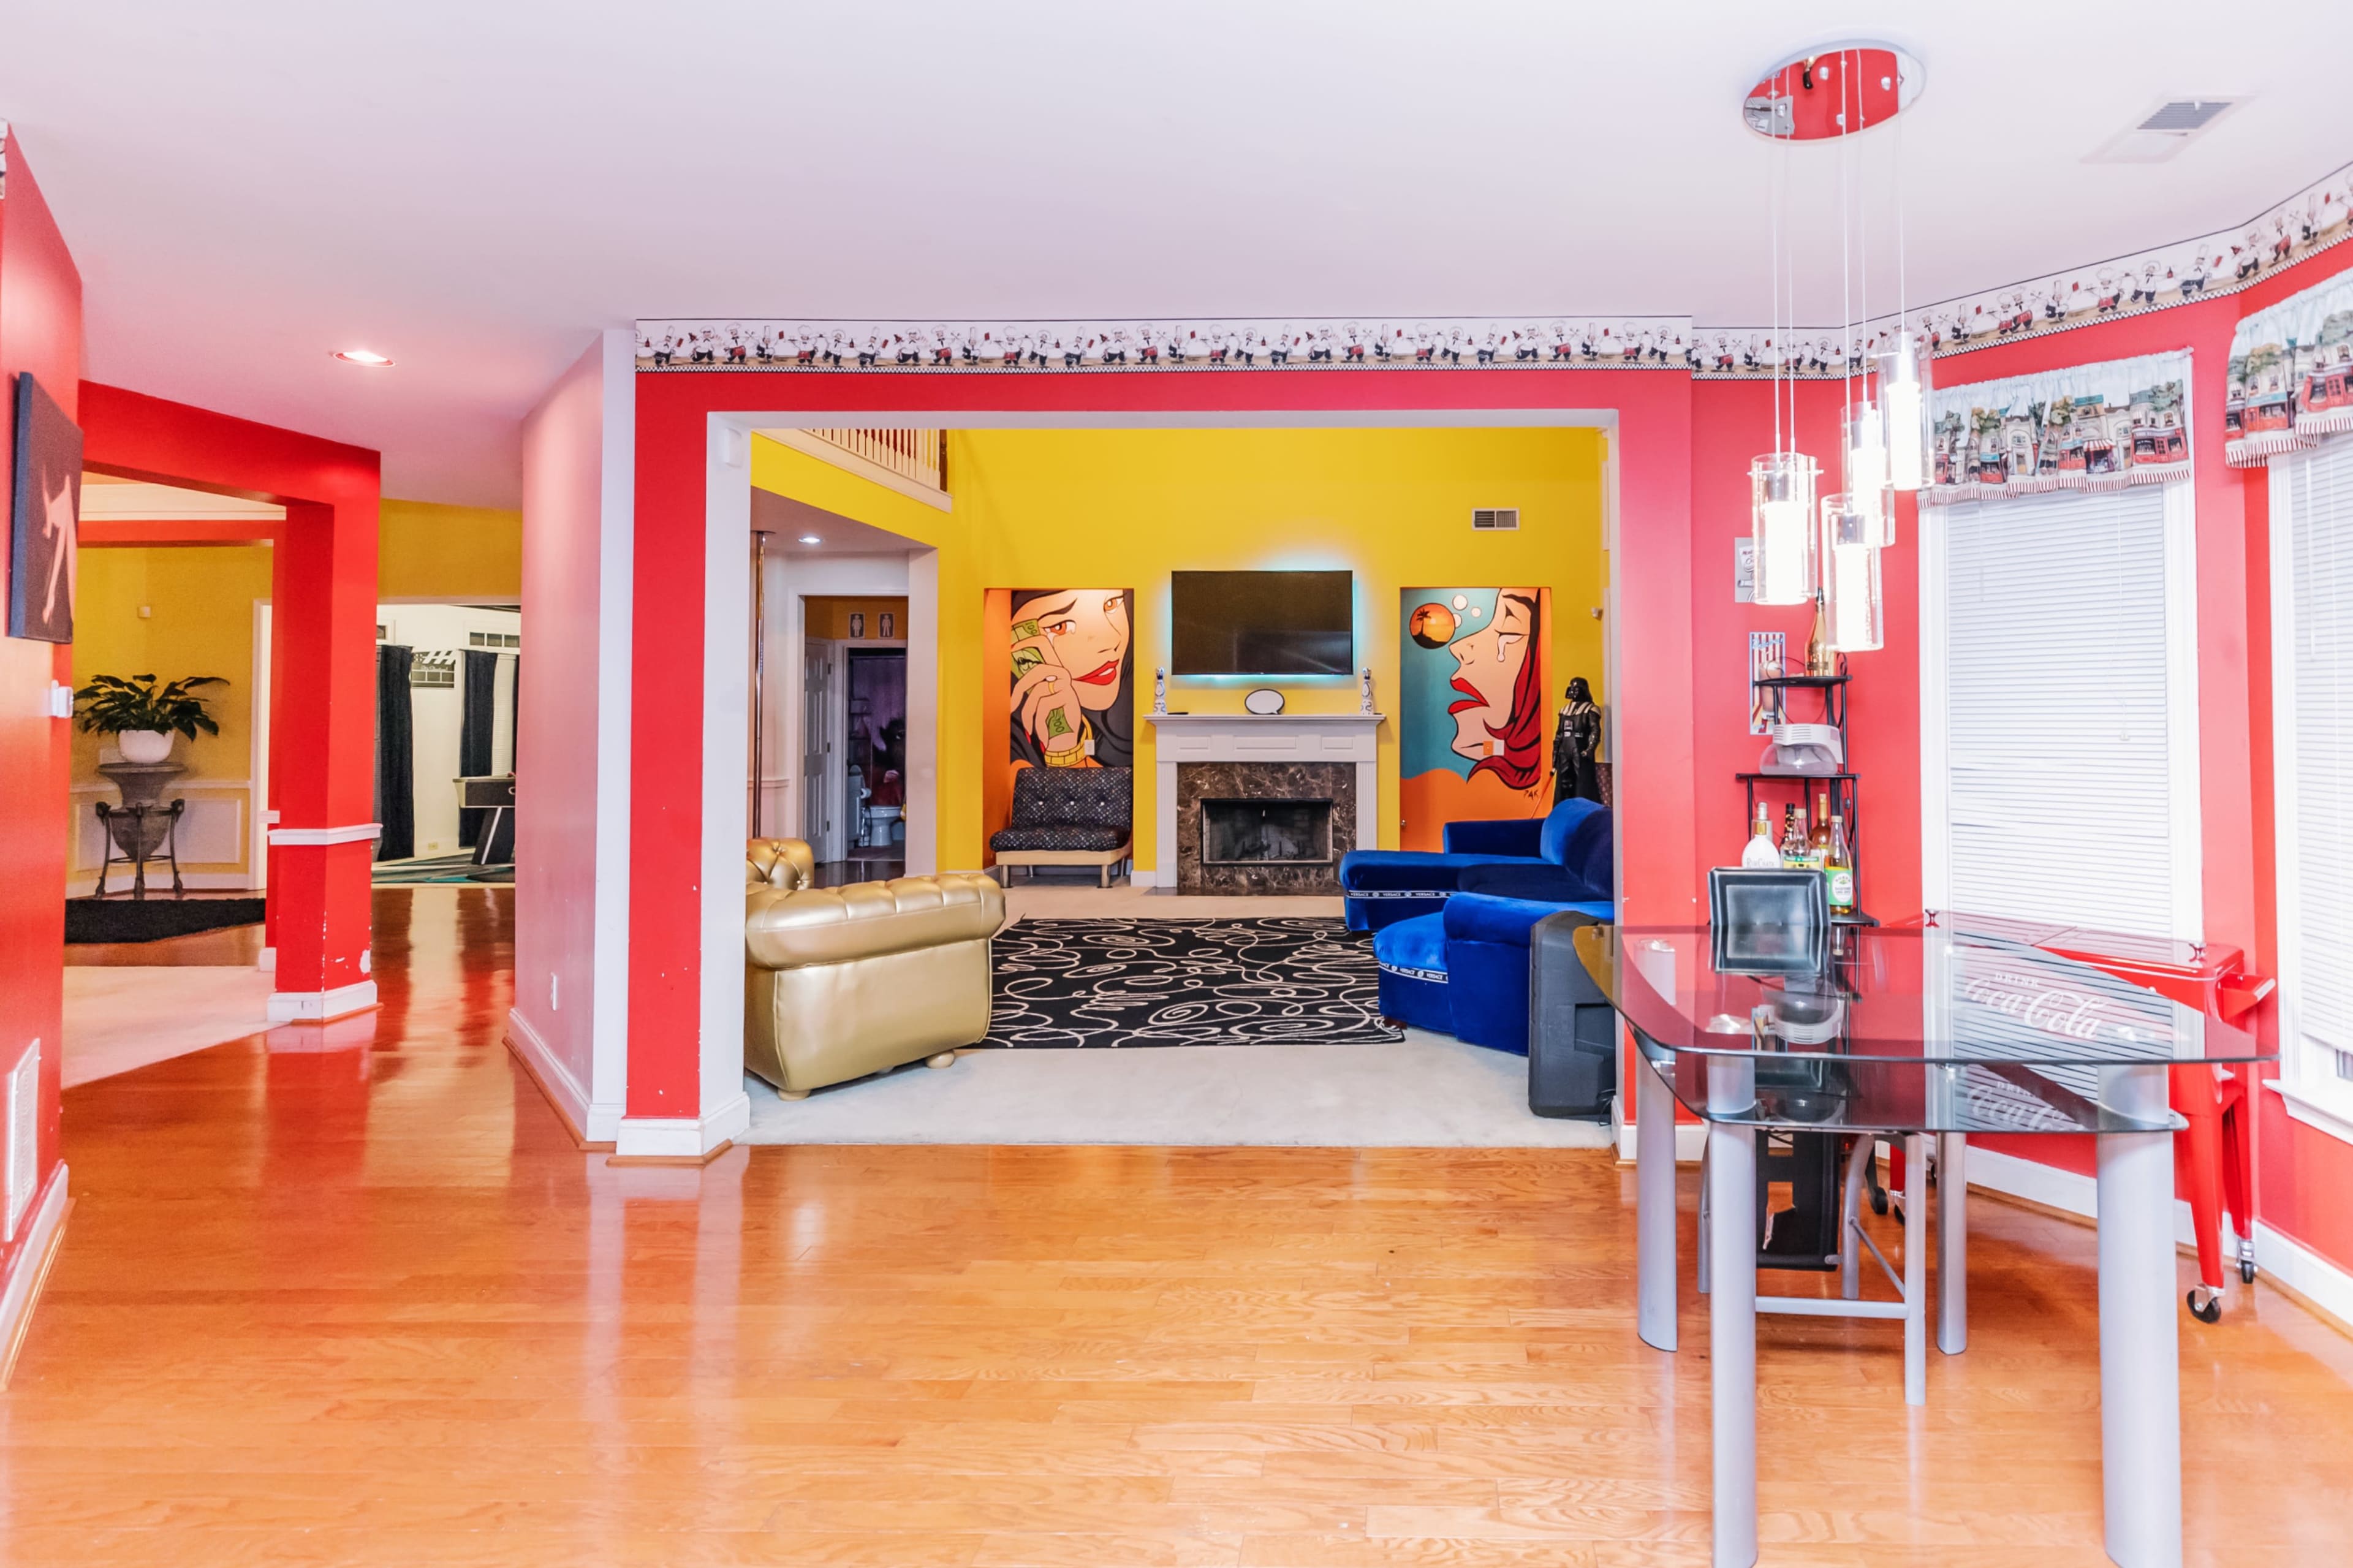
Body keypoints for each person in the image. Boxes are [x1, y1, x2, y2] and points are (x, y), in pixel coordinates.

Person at [1009, 589, 1134, 770]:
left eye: (1111, 604)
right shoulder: (1014, 741)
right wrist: (1062, 741)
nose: (1113, 640)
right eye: (1060, 627)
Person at [1553, 676, 1603, 805]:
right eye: (1572, 689)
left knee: (1582, 781)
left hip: (1580, 746)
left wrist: (1590, 749)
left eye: (1577, 689)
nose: (1574, 692)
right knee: (1564, 781)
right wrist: (1555, 755)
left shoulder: (1590, 709)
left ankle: (1583, 809)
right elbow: (1559, 734)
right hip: (1565, 746)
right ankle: (1563, 808)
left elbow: (1595, 731)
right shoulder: (1564, 710)